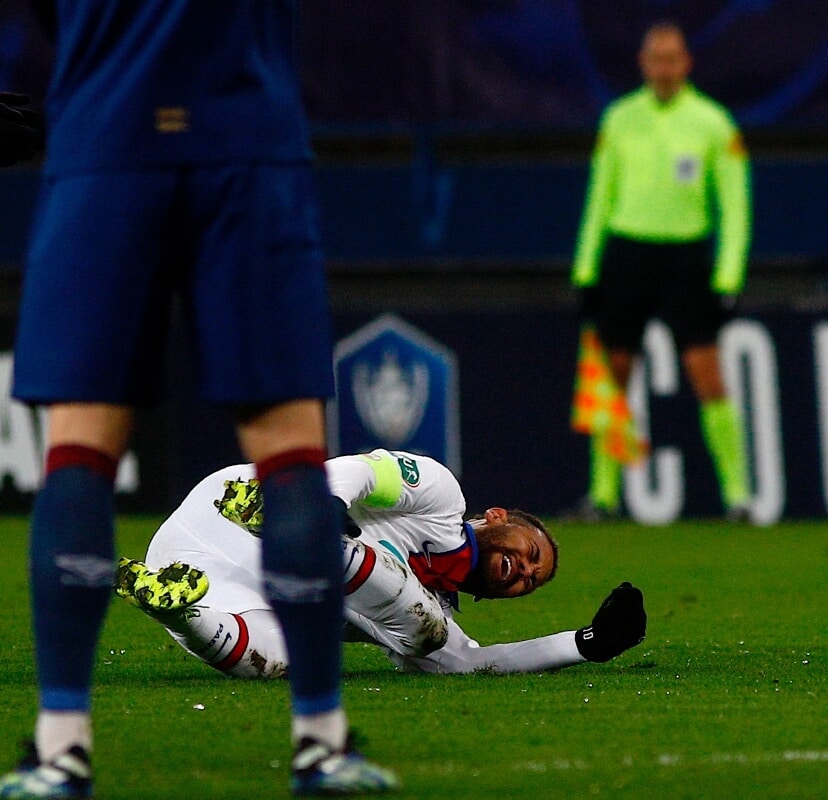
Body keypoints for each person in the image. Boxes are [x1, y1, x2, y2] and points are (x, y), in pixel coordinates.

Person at [1, 3, 395, 796]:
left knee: (79, 445)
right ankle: (320, 739)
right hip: (243, 139)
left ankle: (61, 747)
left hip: (106, 135)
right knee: (289, 455)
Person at [116, 450, 647, 676]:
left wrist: (588, 645)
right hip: (240, 503)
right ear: (495, 516)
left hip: (201, 569)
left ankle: (171, 606)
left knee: (276, 663)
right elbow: (363, 472)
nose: (525, 571)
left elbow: (474, 663)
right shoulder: (441, 498)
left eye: (531, 582)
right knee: (424, 630)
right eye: (531, 553)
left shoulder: (438, 613)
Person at [571, 21, 753, 523]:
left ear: (686, 63)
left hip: (687, 258)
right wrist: (586, 269)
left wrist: (729, 277)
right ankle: (603, 497)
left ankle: (738, 496)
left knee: (707, 373)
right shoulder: (620, 118)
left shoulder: (713, 123)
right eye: (657, 59)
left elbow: (735, 206)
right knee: (614, 375)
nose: (665, 69)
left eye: (673, 59)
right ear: (644, 63)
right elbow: (599, 199)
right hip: (628, 253)